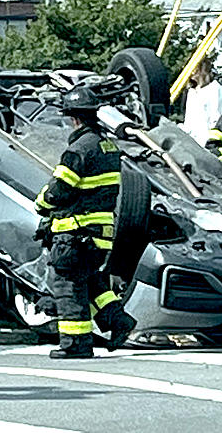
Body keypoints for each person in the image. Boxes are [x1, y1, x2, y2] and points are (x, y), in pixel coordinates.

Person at [33, 86, 136, 359]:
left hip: (76, 232)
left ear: (73, 117)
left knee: (68, 286)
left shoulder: (78, 149)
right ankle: (118, 321)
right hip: (101, 232)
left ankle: (76, 344)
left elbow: (59, 190)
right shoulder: (108, 147)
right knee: (90, 281)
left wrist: (41, 203)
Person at [182, 56, 222, 144]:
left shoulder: (214, 88)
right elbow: (188, 119)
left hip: (205, 141)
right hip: (190, 141)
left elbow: (215, 117)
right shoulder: (191, 91)